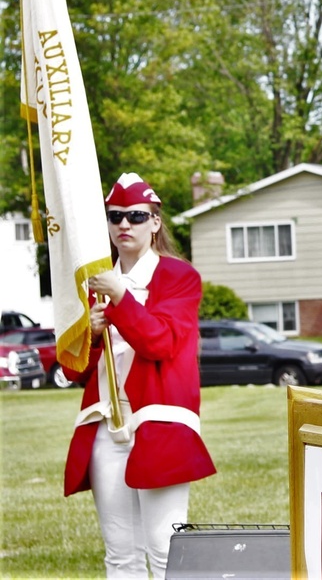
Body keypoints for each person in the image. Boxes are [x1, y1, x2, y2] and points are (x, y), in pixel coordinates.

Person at [64, 173, 216, 578]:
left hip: (160, 423)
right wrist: (92, 336)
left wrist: (119, 297)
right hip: (105, 426)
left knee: (167, 552)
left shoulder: (179, 277)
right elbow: (70, 368)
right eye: (115, 217)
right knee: (120, 556)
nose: (124, 225)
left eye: (135, 215)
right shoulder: (92, 282)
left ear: (155, 222)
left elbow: (160, 344)